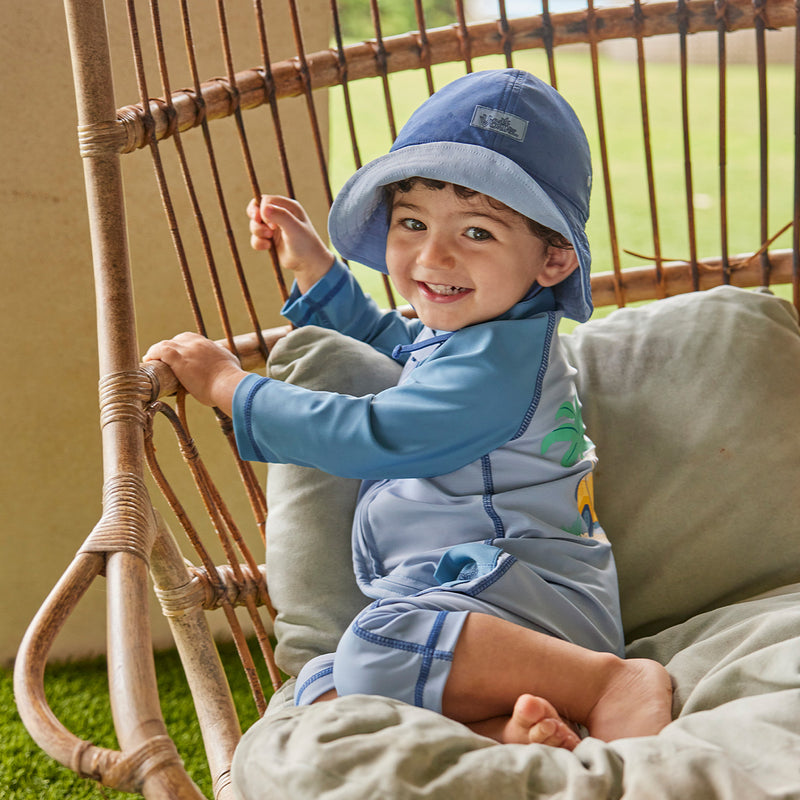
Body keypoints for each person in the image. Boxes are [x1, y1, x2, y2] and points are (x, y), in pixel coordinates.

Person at [145, 69, 673, 749]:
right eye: (412, 222)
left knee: (376, 644)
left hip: (526, 598)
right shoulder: (483, 336)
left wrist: (231, 387)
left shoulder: (497, 373)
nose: (432, 255)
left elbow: (374, 433)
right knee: (327, 686)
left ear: (552, 261)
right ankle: (521, 731)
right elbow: (403, 347)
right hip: (476, 599)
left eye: (477, 233)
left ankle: (608, 684)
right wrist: (319, 275)